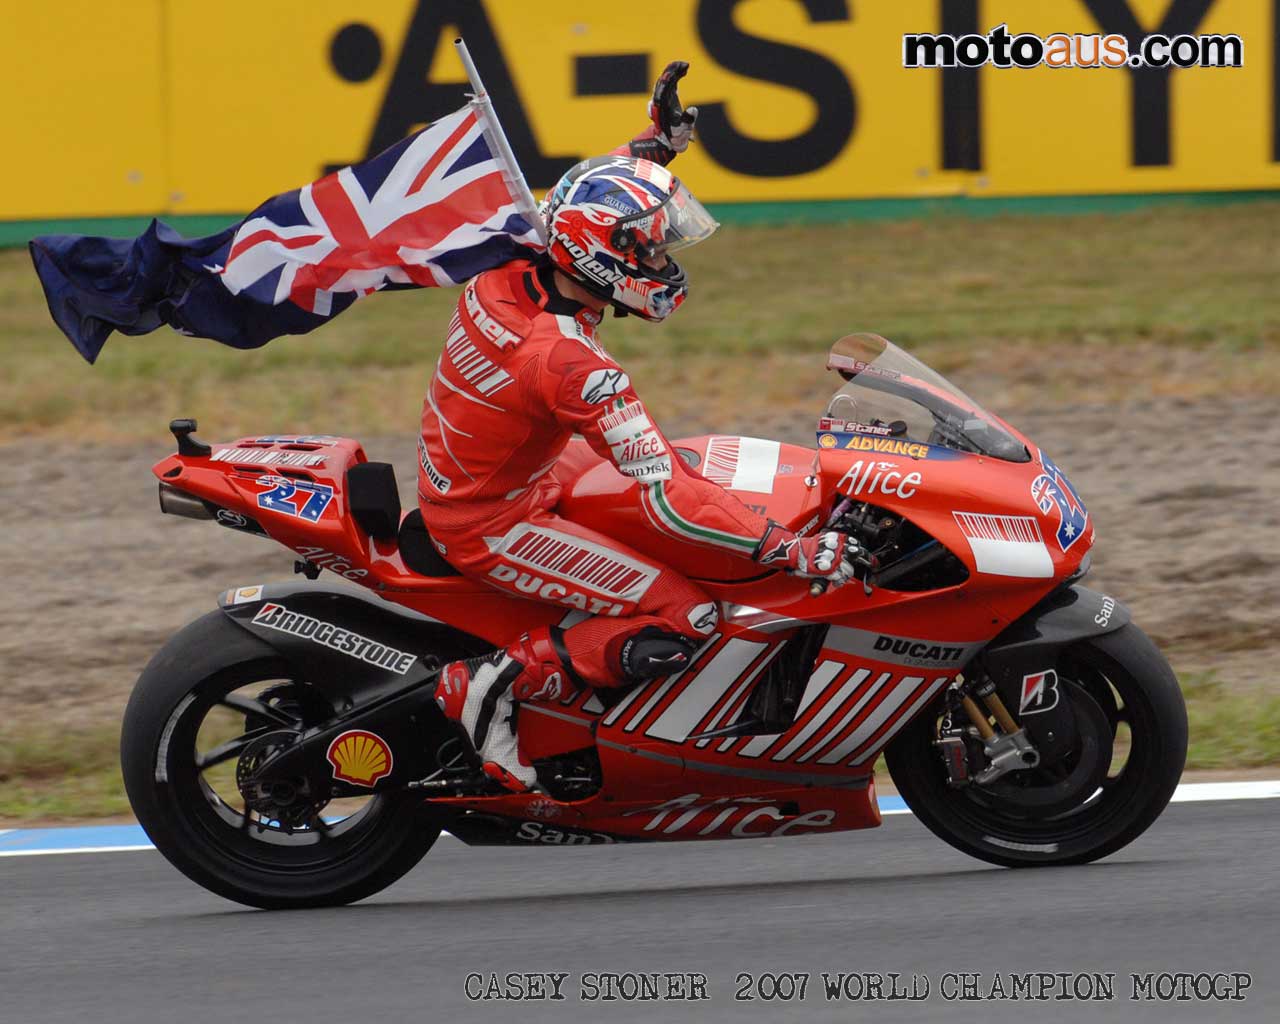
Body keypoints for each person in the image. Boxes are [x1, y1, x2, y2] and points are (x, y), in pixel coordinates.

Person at [422, 62, 866, 791]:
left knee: (695, 493)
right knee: (686, 611)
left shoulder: (521, 256)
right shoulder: (572, 366)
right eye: (652, 251)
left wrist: (654, 148)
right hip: (491, 518)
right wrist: (792, 548)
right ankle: (489, 684)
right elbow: (663, 491)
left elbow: (584, 206)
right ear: (607, 260)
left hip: (514, 464)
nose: (663, 262)